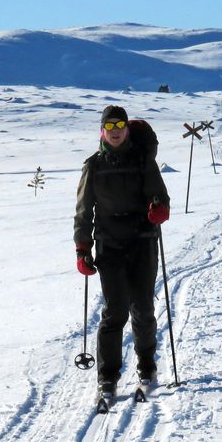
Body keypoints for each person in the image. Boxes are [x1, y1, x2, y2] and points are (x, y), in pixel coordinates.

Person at [74, 105, 170, 402]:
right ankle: (107, 376)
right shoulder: (94, 166)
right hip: (109, 245)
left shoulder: (143, 161)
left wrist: (159, 209)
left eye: (120, 127)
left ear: (127, 129)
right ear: (102, 132)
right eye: (110, 128)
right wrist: (82, 248)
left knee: (142, 308)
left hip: (142, 241)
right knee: (115, 311)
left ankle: (147, 368)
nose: (115, 133)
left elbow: (160, 195)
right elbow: (83, 212)